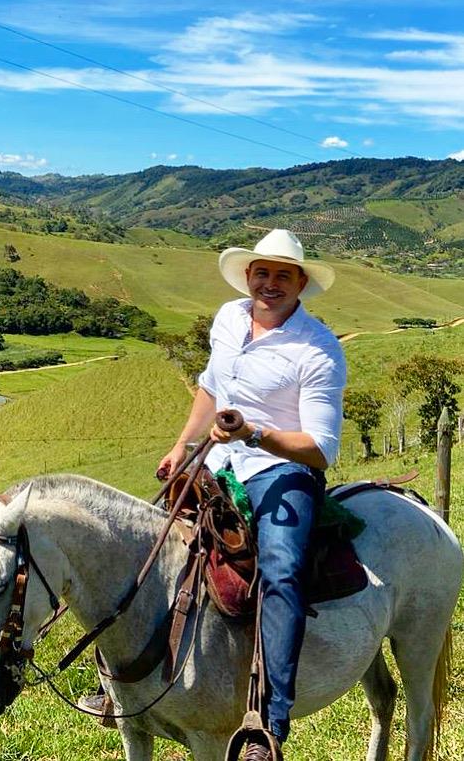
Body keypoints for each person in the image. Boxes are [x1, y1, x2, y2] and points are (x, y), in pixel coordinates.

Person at [156, 228, 346, 760]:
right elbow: (211, 386)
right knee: (152, 534)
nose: (270, 283)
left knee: (282, 571)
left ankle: (268, 721)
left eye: (283, 275)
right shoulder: (228, 318)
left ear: (301, 283)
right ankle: (131, 678)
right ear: (247, 276)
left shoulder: (318, 349)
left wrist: (253, 433)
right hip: (218, 460)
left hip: (280, 469)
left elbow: (321, 449)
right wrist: (182, 444)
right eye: (262, 272)